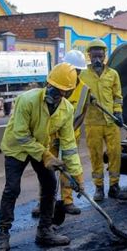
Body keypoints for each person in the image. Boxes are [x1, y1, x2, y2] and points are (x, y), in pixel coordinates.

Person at [0, 63, 85, 251]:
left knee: (50, 184)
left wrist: (76, 176)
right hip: (16, 147)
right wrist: (46, 155)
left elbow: (68, 144)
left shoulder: (67, 110)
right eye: (52, 88)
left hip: (40, 148)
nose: (55, 94)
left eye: (61, 92)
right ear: (47, 83)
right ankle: (3, 236)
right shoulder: (27, 100)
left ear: (68, 92)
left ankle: (44, 231)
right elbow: (21, 135)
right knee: (12, 189)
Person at [31, 50, 90, 218]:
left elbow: (82, 113)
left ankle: (68, 201)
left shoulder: (85, 89)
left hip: (71, 133)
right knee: (47, 169)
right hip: (50, 134)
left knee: (69, 166)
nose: (75, 73)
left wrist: (68, 128)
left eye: (77, 70)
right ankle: (44, 201)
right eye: (72, 69)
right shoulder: (56, 82)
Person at [79, 39, 124, 202]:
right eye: (94, 56)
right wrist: (85, 97)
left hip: (111, 121)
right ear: (89, 56)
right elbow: (77, 97)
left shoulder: (113, 74)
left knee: (115, 154)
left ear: (105, 55)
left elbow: (117, 97)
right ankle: (99, 187)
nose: (97, 60)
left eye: (100, 56)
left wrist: (118, 113)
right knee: (96, 155)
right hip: (93, 122)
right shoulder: (82, 75)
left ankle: (114, 186)